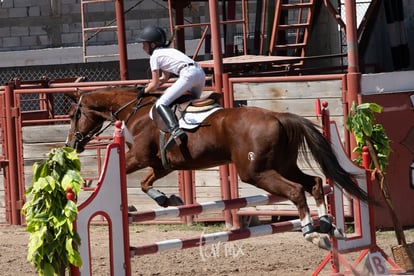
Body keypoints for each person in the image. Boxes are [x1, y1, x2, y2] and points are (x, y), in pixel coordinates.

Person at [137, 25, 206, 148]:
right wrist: (150, 86)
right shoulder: (167, 51)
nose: (143, 47)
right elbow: (165, 78)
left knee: (161, 103)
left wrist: (143, 91)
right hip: (199, 73)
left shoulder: (155, 56)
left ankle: (176, 131)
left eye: (145, 44)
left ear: (153, 45)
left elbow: (155, 83)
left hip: (188, 75)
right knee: (191, 103)